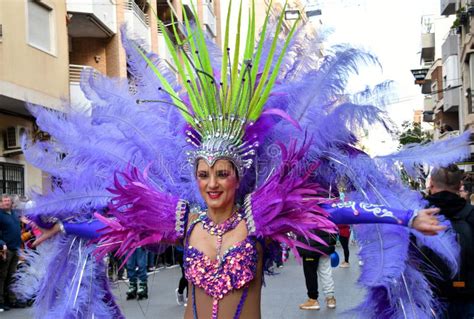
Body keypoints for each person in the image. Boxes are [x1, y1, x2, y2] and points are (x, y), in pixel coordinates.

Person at [16, 2, 469, 318]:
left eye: (222, 173)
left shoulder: (259, 218)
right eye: (204, 174)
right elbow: (114, 226)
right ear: (194, 177)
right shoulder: (182, 219)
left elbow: (336, 210)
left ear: (238, 176)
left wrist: (405, 215)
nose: (212, 183)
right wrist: (62, 225)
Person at [420, 165, 474, 319]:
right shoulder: (471, 214)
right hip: (468, 297)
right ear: (459, 186)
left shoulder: (417, 215)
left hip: (430, 297)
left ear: (430, 184)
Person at [298, 229, 337, 310]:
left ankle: (313, 300)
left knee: (310, 273)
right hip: (325, 243)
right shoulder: (328, 215)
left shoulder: (305, 215)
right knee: (326, 271)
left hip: (309, 245)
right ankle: (330, 299)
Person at [0, 195, 25, 311]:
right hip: (5, 249)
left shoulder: (14, 214)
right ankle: (1, 302)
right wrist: (2, 243)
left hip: (15, 249)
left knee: (12, 276)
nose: (6, 203)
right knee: (2, 276)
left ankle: (12, 300)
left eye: (8, 201)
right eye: (4, 201)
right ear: (0, 203)